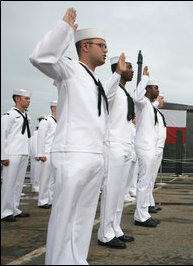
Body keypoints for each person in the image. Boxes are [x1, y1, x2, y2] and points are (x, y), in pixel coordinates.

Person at [29, 7, 126, 264]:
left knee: (83, 219)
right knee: (65, 217)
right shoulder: (69, 70)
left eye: (106, 46)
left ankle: (76, 260)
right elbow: (40, 57)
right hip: (73, 153)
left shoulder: (93, 78)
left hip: (94, 154)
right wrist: (63, 29)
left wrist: (118, 75)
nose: (106, 50)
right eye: (101, 45)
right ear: (85, 46)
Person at [97, 55, 135, 249]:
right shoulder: (112, 89)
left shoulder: (124, 92)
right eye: (129, 67)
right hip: (113, 144)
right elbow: (104, 91)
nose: (132, 70)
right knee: (111, 191)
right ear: (118, 68)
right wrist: (117, 72)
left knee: (120, 192)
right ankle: (105, 233)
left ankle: (115, 228)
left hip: (125, 145)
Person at [133, 65, 160, 227]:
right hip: (144, 146)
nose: (158, 91)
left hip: (150, 147)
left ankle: (144, 213)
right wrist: (143, 78)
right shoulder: (142, 102)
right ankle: (140, 216)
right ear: (148, 89)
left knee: (147, 180)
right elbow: (136, 96)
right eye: (155, 88)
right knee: (143, 182)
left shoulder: (150, 105)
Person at [1, 89, 32, 222]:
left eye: (29, 99)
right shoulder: (10, 115)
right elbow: (3, 136)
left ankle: (14, 208)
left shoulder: (25, 116)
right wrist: (3, 156)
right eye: (26, 98)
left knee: (18, 183)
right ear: (17, 99)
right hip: (12, 153)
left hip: (23, 152)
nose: (28, 101)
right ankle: (4, 211)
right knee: (9, 183)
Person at [36, 101, 57, 209]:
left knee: (53, 179)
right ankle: (42, 200)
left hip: (55, 153)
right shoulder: (46, 121)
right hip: (47, 153)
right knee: (45, 178)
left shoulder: (58, 121)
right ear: (53, 108)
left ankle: (50, 199)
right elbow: (41, 137)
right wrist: (41, 153)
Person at [148, 93, 167, 214]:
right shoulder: (151, 109)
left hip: (159, 148)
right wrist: (155, 101)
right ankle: (147, 205)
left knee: (152, 179)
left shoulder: (159, 113)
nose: (163, 101)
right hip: (154, 148)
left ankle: (150, 202)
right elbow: (149, 108)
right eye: (161, 98)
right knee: (148, 179)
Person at [125, 116, 138, 203]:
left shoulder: (135, 128)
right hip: (129, 153)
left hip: (134, 154)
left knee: (132, 176)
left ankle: (131, 191)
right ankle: (125, 194)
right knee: (127, 176)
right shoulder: (129, 126)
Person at [30, 115, 45, 193]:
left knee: (41, 172)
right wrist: (37, 154)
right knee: (37, 172)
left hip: (43, 155)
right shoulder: (36, 133)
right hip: (38, 155)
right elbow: (35, 144)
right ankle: (35, 187)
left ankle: (39, 186)